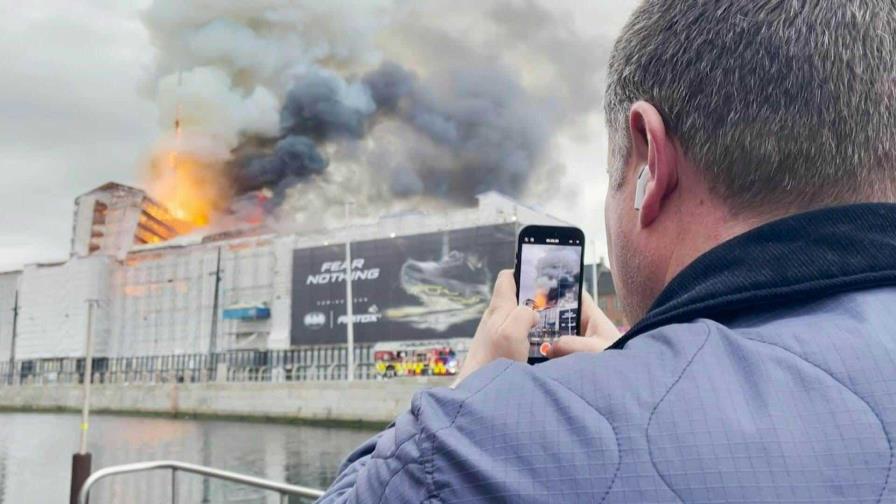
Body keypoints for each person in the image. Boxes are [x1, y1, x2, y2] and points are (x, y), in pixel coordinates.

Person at [318, 1, 896, 502]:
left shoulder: (476, 447)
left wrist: (474, 392)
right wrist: (643, 364)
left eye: (613, 177)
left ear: (651, 162)